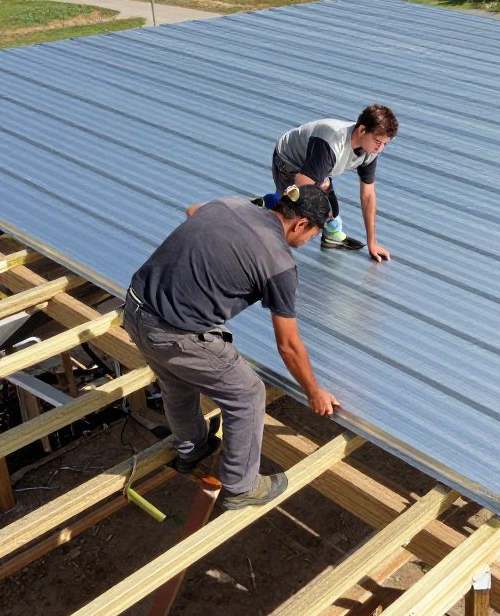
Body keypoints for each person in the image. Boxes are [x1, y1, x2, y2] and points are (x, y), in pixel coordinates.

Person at [123, 187, 339, 510]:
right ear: (301, 224)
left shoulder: (231, 204)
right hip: (174, 332)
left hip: (135, 308)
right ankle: (242, 485)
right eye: (313, 234)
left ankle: (192, 451)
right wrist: (314, 392)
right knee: (248, 394)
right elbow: (289, 345)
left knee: (176, 381)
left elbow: (193, 209)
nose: (309, 241)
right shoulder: (279, 264)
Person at [266, 104, 398, 262]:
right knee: (293, 216)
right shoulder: (332, 142)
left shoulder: (370, 150)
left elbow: (368, 196)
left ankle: (331, 235)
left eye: (385, 144)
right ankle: (270, 205)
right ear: (362, 130)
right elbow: (302, 186)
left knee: (329, 209)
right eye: (377, 141)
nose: (380, 148)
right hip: (290, 163)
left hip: (317, 167)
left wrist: (372, 242)